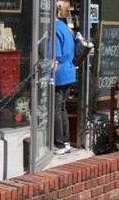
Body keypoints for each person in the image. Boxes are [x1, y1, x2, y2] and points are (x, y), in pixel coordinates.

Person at [53, 15, 76, 155]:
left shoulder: (54, 30)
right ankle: (66, 141)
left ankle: (59, 143)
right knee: (62, 108)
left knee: (55, 109)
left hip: (59, 74)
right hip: (69, 72)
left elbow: (55, 56)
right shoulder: (65, 27)